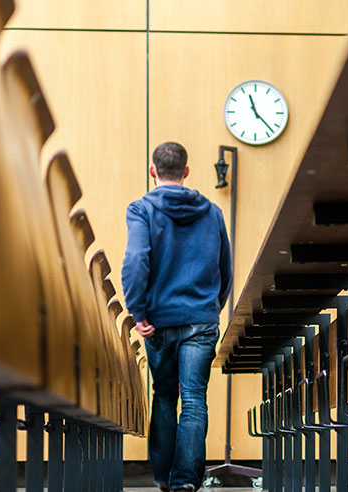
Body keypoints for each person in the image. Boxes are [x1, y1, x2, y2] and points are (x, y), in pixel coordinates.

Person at [122, 141, 233, 491]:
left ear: (152, 171)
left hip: (158, 322)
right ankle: (186, 481)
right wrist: (210, 310)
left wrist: (137, 312)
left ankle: (163, 478)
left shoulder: (141, 209)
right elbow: (225, 269)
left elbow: (136, 260)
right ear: (186, 172)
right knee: (195, 399)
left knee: (165, 396)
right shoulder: (213, 212)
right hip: (201, 320)